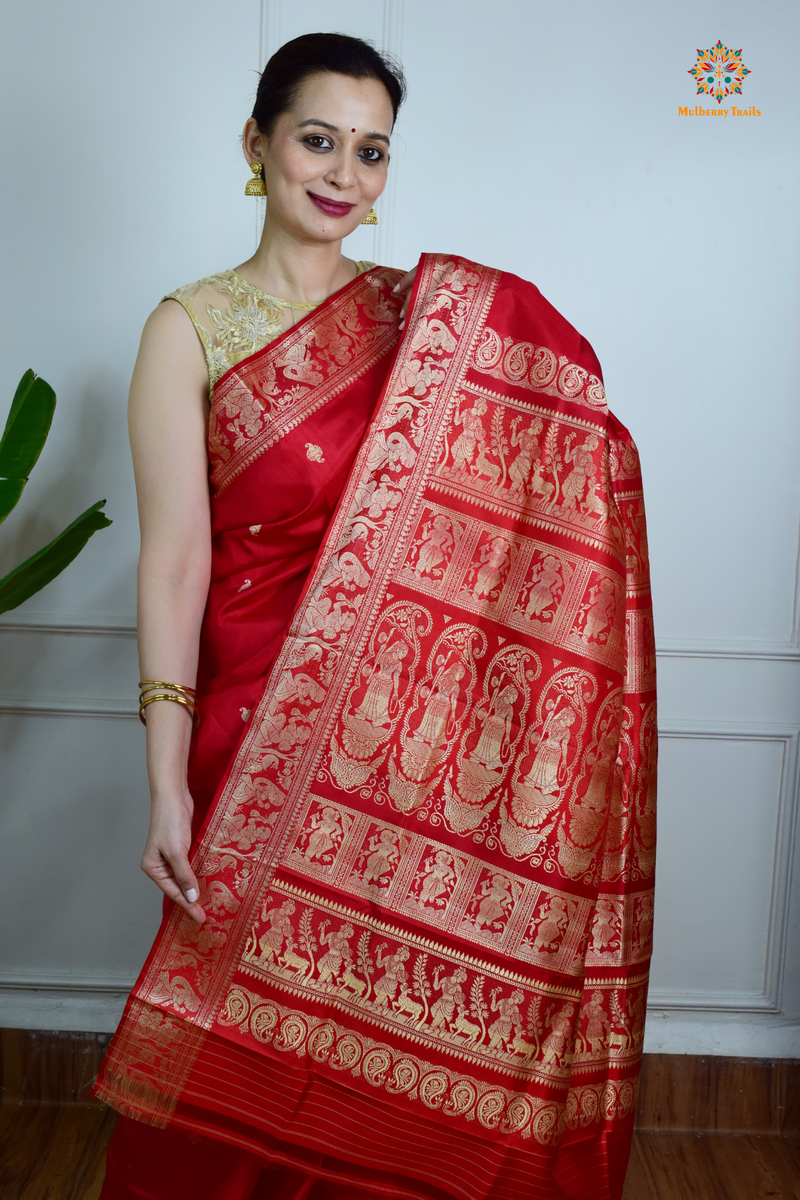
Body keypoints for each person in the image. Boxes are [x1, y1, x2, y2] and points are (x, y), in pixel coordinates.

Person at [94, 32, 657, 1200]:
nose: (342, 173)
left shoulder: (427, 327)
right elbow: (173, 567)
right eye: (316, 140)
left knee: (375, 1023)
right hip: (251, 728)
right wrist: (165, 778)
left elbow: (555, 462)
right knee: (239, 1017)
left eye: (371, 151)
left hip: (409, 743)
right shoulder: (187, 329)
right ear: (256, 145)